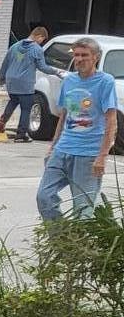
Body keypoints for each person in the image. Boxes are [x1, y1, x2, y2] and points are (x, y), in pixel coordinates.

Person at [37, 37, 118, 222]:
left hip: (88, 154)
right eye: (77, 55)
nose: (79, 59)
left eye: (84, 55)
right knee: (44, 197)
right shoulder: (69, 81)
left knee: (83, 210)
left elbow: (111, 121)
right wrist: (53, 147)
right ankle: (60, 239)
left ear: (95, 57)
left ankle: (78, 246)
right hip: (63, 149)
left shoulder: (105, 82)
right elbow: (64, 117)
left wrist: (102, 156)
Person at [0, 25, 54, 141]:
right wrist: (56, 71)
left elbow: (5, 63)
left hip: (11, 81)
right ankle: (21, 134)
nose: (42, 42)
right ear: (39, 36)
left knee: (13, 101)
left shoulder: (15, 46)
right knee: (26, 109)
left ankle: (2, 121)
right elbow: (43, 67)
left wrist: (1, 78)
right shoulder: (37, 49)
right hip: (25, 82)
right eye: (42, 39)